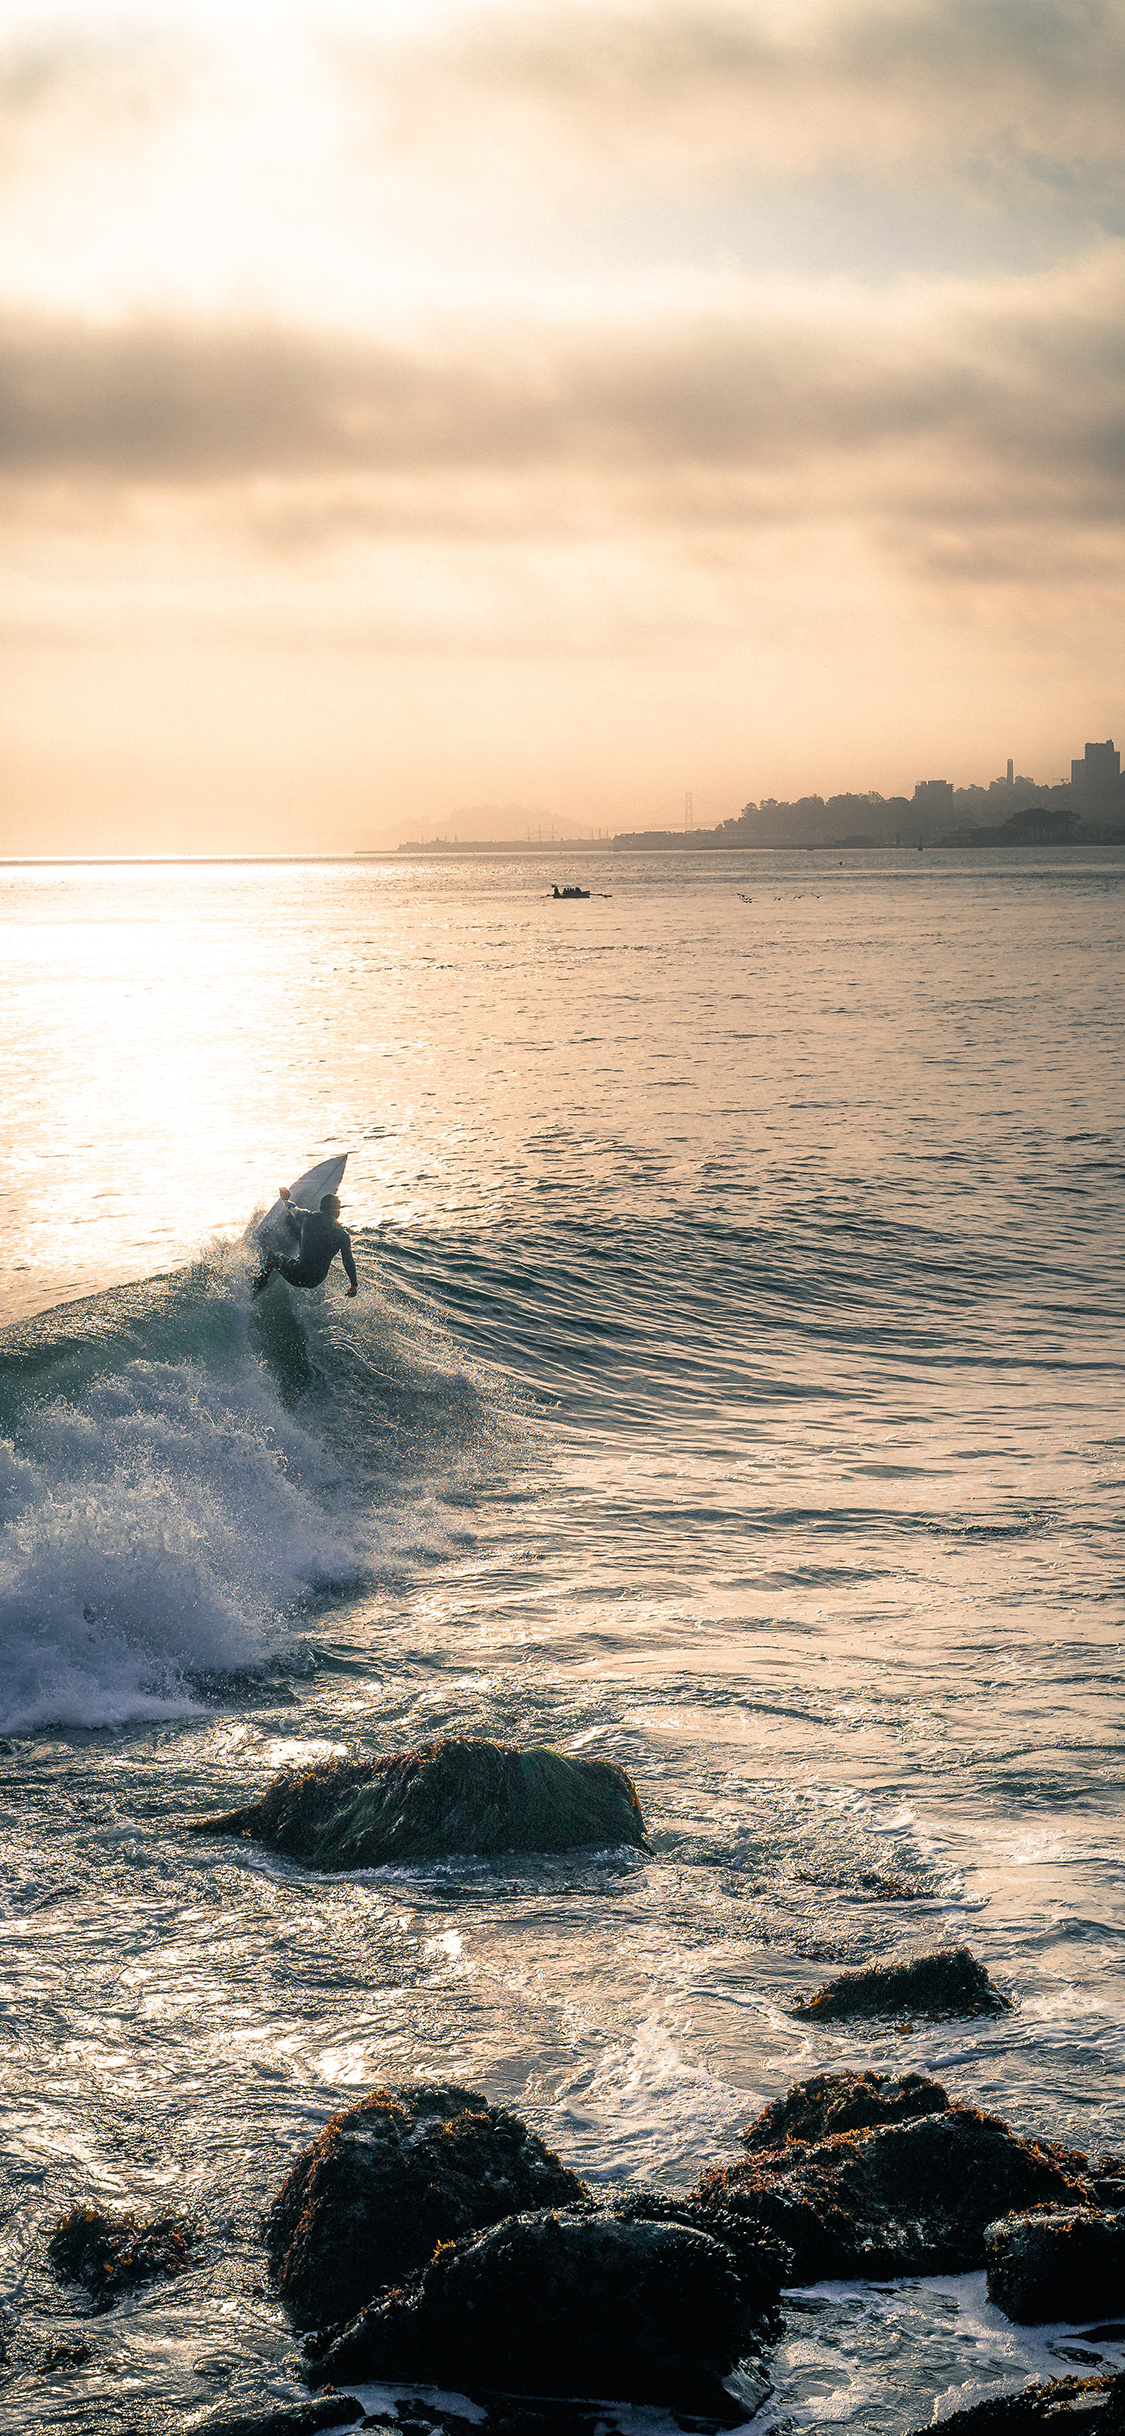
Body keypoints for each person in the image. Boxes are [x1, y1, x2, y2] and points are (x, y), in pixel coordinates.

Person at [252, 1187, 358, 1297]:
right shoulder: (343, 1235)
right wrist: (353, 1284)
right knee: (307, 1237)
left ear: (321, 1208)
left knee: (274, 1256)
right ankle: (294, 1228)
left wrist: (285, 1199)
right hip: (315, 1281)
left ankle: (256, 1287)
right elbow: (348, 1260)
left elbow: (293, 1209)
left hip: (297, 1274)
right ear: (337, 1212)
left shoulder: (309, 1217)